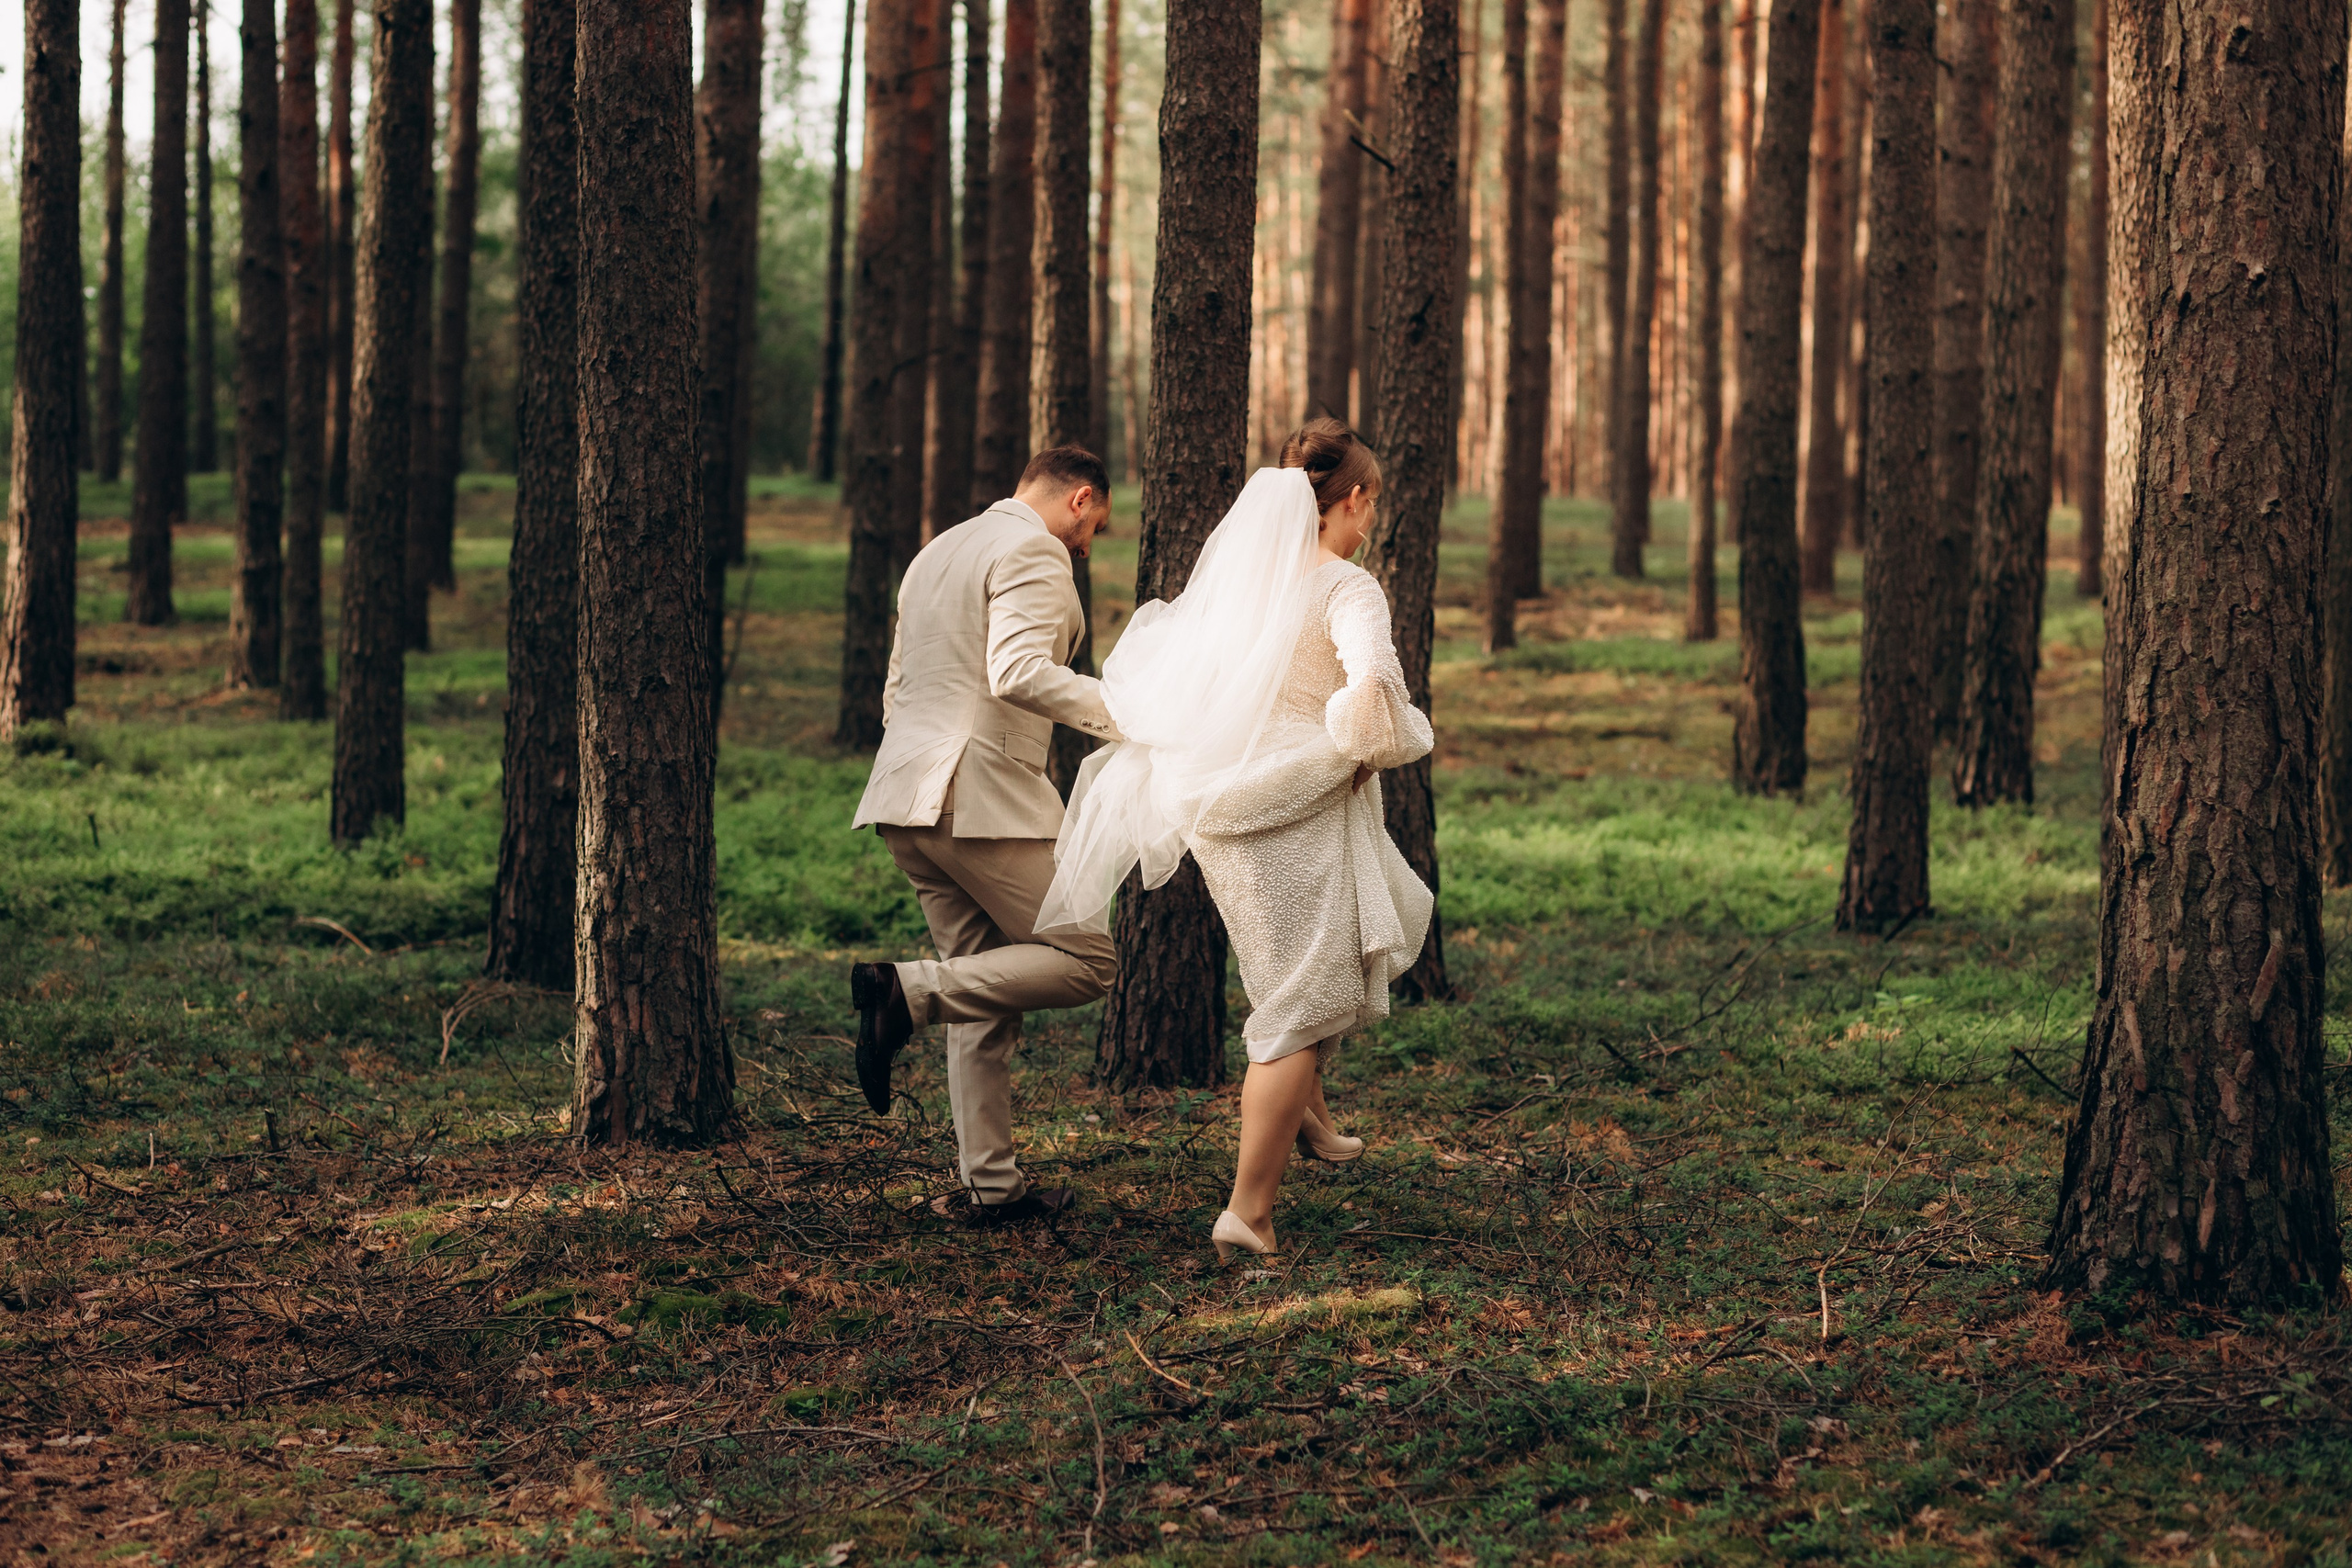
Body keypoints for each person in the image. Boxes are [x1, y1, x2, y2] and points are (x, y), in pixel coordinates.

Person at [1037, 419, 1433, 1260]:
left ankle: (1312, 1124)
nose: (1371, 524)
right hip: (1295, 811)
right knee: (1299, 1001)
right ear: (1352, 498)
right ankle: (1248, 1214)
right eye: (1372, 506)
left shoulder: (1241, 588)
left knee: (1293, 975)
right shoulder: (1347, 588)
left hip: (1222, 805)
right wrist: (1369, 747)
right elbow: (1374, 690)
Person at [848, 446, 1123, 1227]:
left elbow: (895, 689)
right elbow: (1017, 671)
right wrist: (1128, 713)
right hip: (980, 801)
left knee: (983, 991)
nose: (1087, 546)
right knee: (1087, 959)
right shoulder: (1035, 548)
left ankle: (990, 1188)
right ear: (1077, 499)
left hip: (906, 798)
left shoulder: (936, 550)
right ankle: (906, 991)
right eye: (1093, 527)